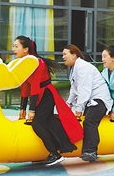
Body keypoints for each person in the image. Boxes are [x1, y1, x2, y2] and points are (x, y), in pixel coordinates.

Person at [15, 36, 81, 166]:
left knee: (37, 123)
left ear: (26, 49)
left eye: (16, 46)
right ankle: (60, 146)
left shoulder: (38, 63)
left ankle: (55, 153)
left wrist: (32, 109)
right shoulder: (24, 63)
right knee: (47, 121)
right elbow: (25, 86)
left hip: (46, 94)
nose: (13, 49)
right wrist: (22, 108)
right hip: (39, 95)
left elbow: (35, 85)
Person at [63, 45, 112, 162]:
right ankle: (87, 151)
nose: (63, 57)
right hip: (91, 100)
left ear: (74, 55)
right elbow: (74, 89)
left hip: (100, 99)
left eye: (65, 54)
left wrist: (79, 108)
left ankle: (91, 151)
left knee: (90, 121)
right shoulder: (75, 68)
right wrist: (68, 104)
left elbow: (84, 89)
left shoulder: (82, 67)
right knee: (86, 122)